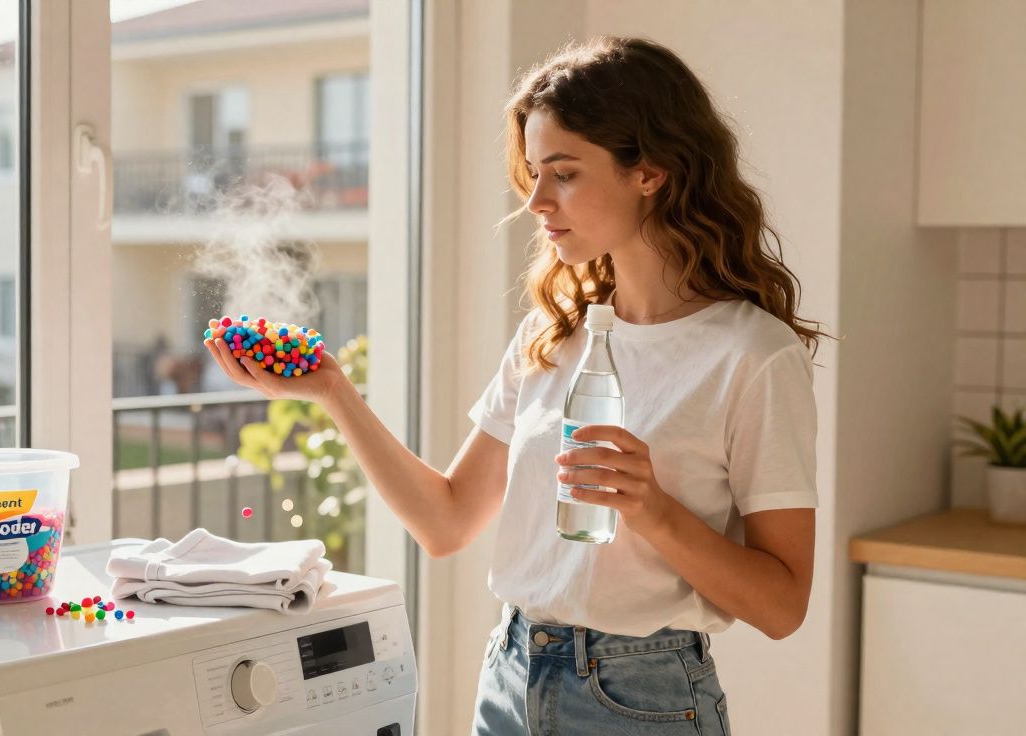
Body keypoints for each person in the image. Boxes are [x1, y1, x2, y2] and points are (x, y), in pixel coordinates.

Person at [204, 36, 830, 735]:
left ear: (649, 171)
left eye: (563, 173)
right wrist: (334, 394)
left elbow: (782, 605)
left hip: (641, 699)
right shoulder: (555, 334)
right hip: (509, 679)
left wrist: (653, 509)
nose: (536, 200)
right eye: (533, 173)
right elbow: (446, 522)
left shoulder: (752, 355)